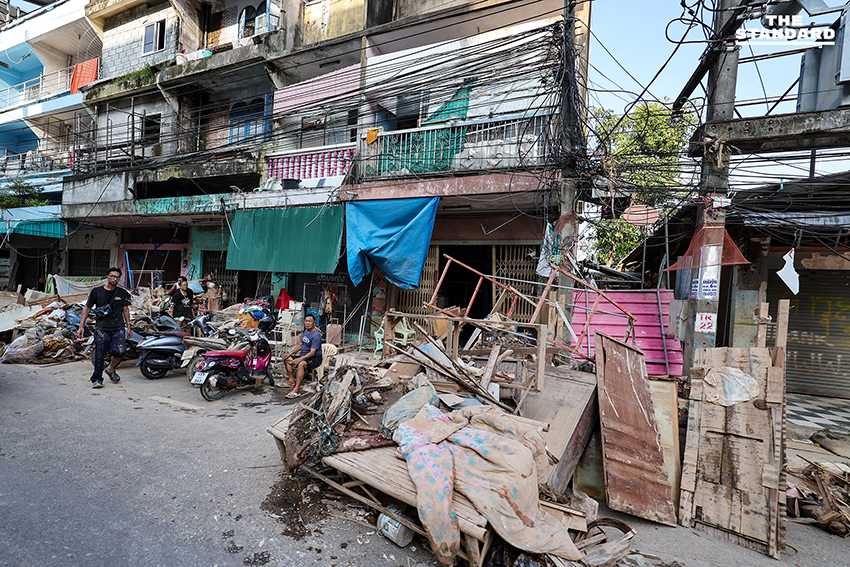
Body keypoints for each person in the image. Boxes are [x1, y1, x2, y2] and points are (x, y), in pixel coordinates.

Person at [77, 267, 132, 389]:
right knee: (99, 355)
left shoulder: (123, 293)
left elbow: (125, 310)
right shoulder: (96, 292)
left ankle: (110, 369)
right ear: (107, 277)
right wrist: (81, 325)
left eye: (117, 277)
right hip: (102, 328)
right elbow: (87, 309)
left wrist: (129, 326)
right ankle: (97, 379)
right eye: (112, 276)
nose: (115, 279)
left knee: (120, 351)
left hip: (118, 327)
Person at [282, 313, 322, 398]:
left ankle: (297, 389)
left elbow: (312, 353)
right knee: (287, 359)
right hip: (304, 356)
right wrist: (290, 353)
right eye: (306, 321)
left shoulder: (316, 335)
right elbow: (301, 345)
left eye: (310, 321)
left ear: (314, 323)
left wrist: (299, 359)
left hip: (314, 359)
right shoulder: (306, 331)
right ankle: (291, 381)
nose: (307, 323)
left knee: (301, 364)